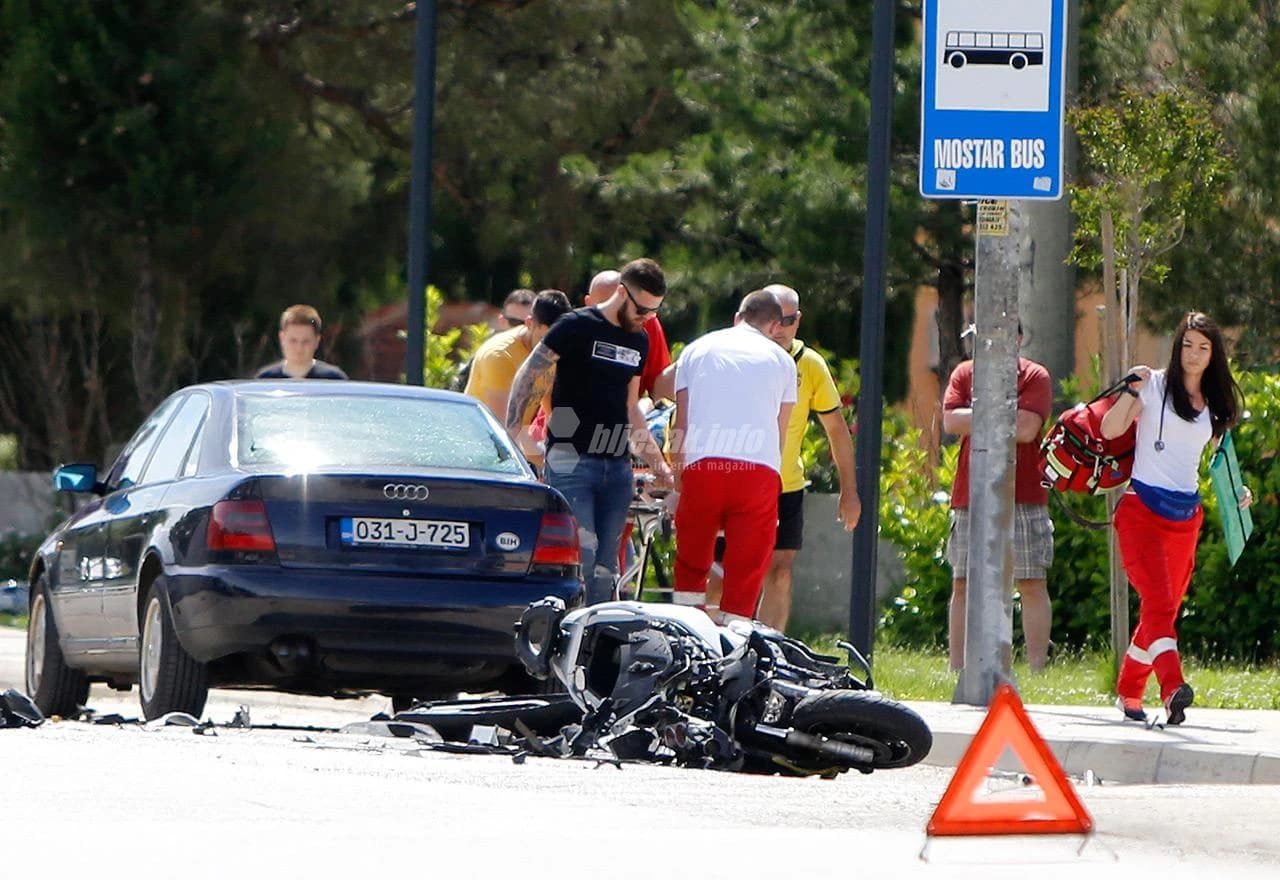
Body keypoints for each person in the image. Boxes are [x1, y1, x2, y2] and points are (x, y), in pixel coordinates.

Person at [1100, 311, 1249, 725]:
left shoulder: (1215, 403)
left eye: (1203, 347)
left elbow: (1222, 459)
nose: (1194, 354)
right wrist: (1132, 391)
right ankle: (1172, 689)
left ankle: (1129, 692)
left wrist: (1240, 492)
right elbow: (1112, 429)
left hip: (1186, 518)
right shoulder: (1154, 385)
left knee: (1161, 610)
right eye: (1187, 344)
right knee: (1160, 604)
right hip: (1140, 511)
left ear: (1214, 354)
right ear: (1177, 344)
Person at [506, 258, 674, 605]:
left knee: (606, 567)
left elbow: (631, 408)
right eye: (642, 308)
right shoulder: (576, 326)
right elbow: (530, 373)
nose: (646, 318)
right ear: (621, 292)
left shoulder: (639, 340)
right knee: (578, 556)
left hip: (616, 465)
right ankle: (561, 640)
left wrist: (657, 463)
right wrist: (515, 430)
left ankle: (594, 646)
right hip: (570, 460)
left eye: (654, 312)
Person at [670, 290, 797, 622]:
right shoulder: (783, 360)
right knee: (747, 565)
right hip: (758, 471)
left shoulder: (695, 350)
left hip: (703, 465)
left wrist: (678, 476)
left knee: (692, 559)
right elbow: (780, 431)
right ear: (773, 325)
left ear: (738, 317)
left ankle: (686, 628)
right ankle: (737, 637)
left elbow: (680, 423)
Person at [943, 325, 1053, 673]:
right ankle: (957, 668)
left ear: (1018, 338)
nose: (989, 341)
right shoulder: (964, 373)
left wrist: (978, 415)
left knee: (1031, 581)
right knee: (962, 582)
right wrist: (1005, 414)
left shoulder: (1035, 375)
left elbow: (1027, 430)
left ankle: (1036, 668)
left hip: (1025, 492)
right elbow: (950, 421)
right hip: (970, 494)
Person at [463, 289, 571, 424]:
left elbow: (550, 400)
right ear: (529, 323)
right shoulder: (500, 356)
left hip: (514, 436)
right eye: (544, 339)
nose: (550, 349)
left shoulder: (556, 348)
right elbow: (504, 427)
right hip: (482, 437)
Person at [454, 289, 537, 391]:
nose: (523, 329)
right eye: (515, 322)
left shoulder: (547, 356)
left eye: (529, 323)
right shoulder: (491, 354)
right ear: (502, 321)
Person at [255, 304, 348, 379]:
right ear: (282, 338)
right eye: (293, 341)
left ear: (317, 341)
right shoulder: (266, 380)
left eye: (306, 341)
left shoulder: (334, 380)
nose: (299, 348)